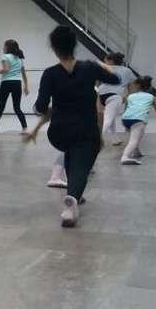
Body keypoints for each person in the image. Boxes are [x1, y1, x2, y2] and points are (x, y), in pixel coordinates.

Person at [27, 26, 121, 228]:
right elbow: (116, 79)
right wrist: (100, 65)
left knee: (72, 153)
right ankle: (71, 203)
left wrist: (43, 112)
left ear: (54, 48)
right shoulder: (89, 67)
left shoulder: (50, 73)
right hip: (86, 129)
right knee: (82, 164)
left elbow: (40, 106)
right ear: (75, 45)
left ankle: (74, 192)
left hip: (59, 131)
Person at [97, 52, 136, 146]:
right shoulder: (127, 70)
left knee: (111, 117)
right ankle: (95, 138)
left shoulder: (105, 68)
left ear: (111, 61)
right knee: (108, 119)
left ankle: (115, 139)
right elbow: (132, 86)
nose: (105, 62)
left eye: (106, 60)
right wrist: (127, 97)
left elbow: (97, 82)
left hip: (100, 94)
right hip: (114, 96)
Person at [0, 39, 29, 134]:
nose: (3, 48)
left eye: (4, 46)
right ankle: (25, 128)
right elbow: (24, 74)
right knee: (17, 107)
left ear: (8, 47)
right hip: (17, 83)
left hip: (6, 83)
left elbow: (6, 69)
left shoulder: (5, 56)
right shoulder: (19, 58)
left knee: (1, 106)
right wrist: (26, 86)